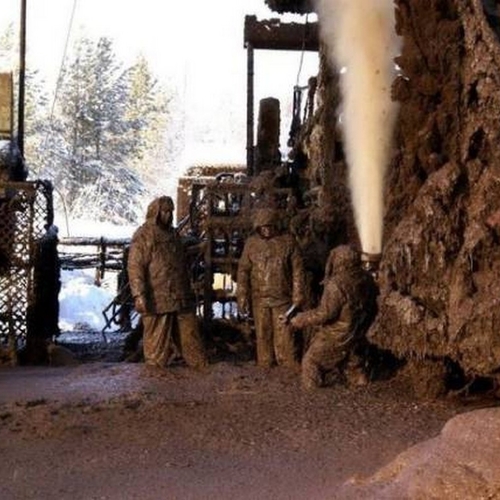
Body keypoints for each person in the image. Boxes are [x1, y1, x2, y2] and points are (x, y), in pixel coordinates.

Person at [127, 196, 208, 370]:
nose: (169, 215)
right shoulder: (144, 235)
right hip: (157, 298)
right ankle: (154, 375)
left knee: (190, 338)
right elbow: (135, 266)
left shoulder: (173, 234)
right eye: (165, 212)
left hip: (180, 295)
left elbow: (177, 257)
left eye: (171, 212)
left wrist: (197, 249)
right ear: (156, 212)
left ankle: (200, 371)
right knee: (156, 342)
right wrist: (139, 294)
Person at [288, 245, 378, 389]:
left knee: (311, 362)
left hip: (338, 336)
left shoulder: (336, 284)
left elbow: (325, 313)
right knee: (354, 366)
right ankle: (361, 385)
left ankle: (312, 395)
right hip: (359, 334)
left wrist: (300, 319)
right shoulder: (367, 279)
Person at [237, 208, 306, 368]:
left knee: (285, 336)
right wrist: (242, 296)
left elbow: (298, 270)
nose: (266, 230)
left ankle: (286, 366)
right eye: (263, 227)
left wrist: (298, 294)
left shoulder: (288, 242)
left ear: (276, 225)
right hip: (260, 299)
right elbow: (243, 271)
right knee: (263, 334)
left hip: (283, 299)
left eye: (269, 226)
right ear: (258, 228)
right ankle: (265, 364)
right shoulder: (251, 244)